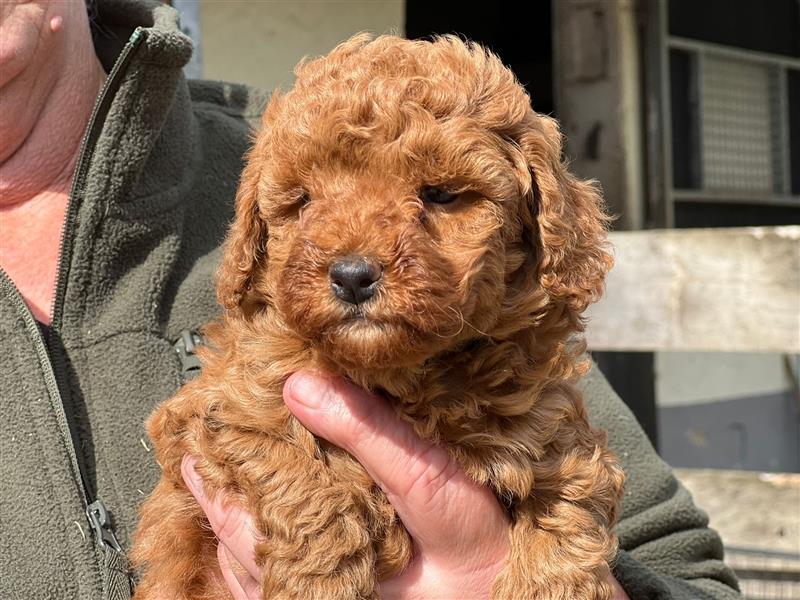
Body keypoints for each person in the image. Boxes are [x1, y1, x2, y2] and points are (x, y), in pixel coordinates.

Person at [0, 1, 740, 598]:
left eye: (443, 196)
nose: (354, 258)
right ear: (250, 244)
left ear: (541, 228)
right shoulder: (263, 341)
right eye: (304, 205)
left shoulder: (521, 367)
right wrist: (319, 545)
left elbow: (685, 569)